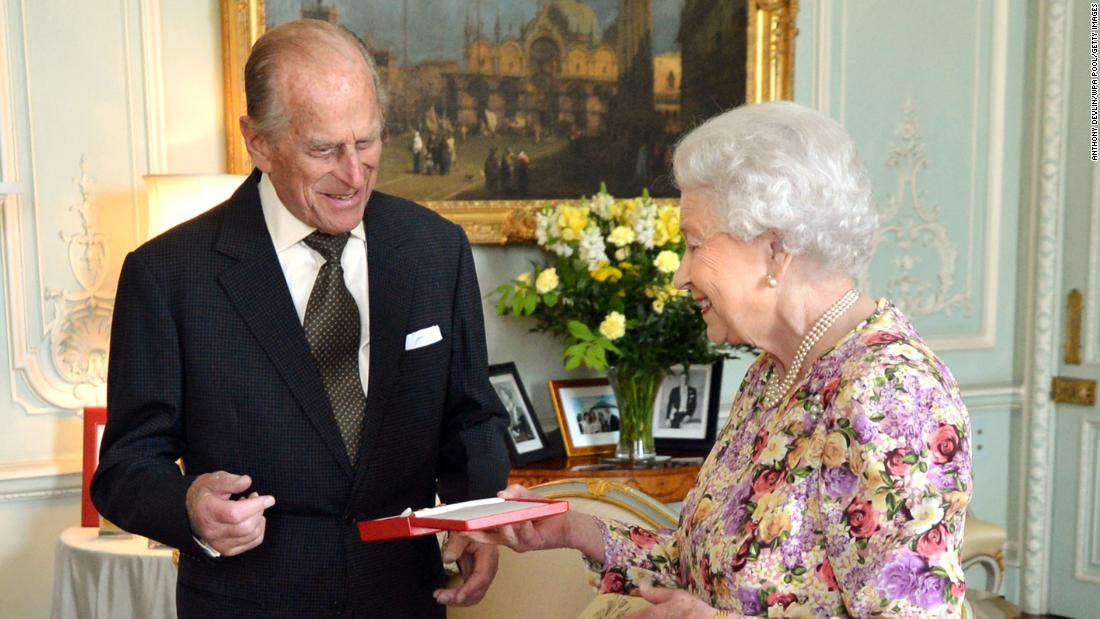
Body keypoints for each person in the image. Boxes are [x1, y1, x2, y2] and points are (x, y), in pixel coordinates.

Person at [458, 101, 972, 618]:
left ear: (775, 249)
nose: (680, 275)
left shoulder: (894, 395)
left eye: (695, 244)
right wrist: (570, 527)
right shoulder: (773, 374)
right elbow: (703, 566)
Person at [91, 19, 511, 618]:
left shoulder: (434, 250)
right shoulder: (168, 274)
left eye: (367, 142)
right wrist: (188, 505)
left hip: (405, 600)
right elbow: (126, 468)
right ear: (257, 142)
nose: (354, 173)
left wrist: (476, 515)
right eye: (323, 149)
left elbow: (472, 417)